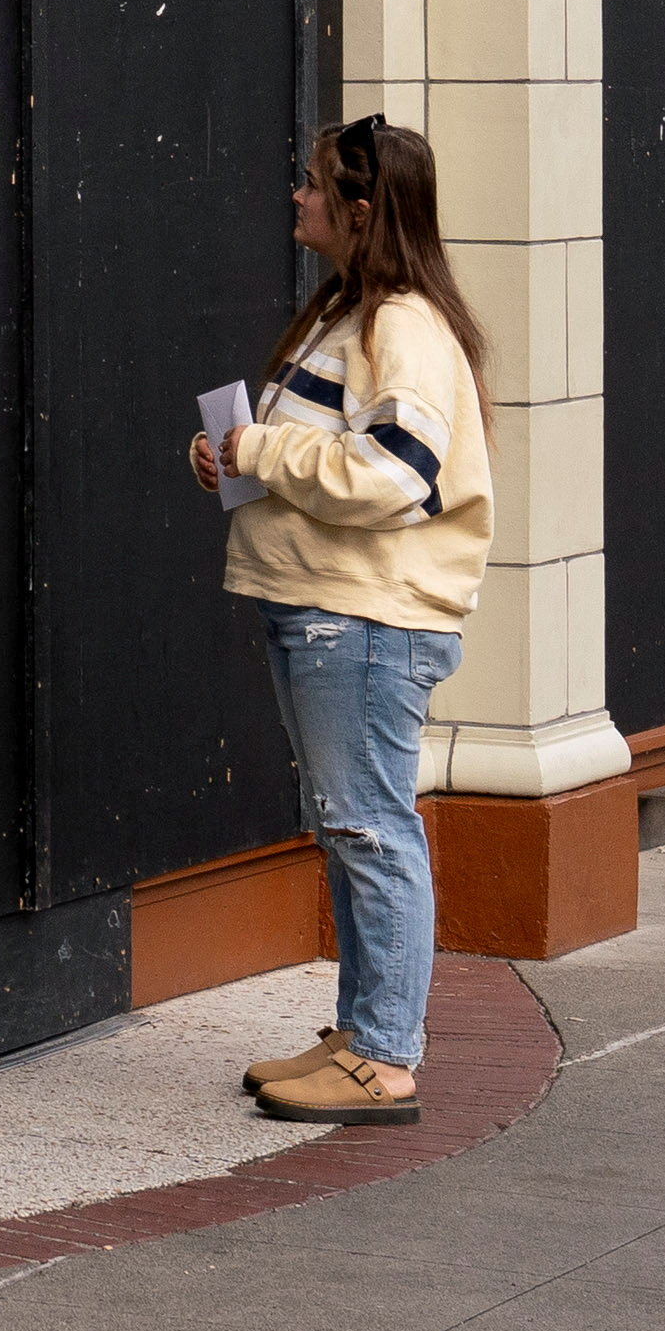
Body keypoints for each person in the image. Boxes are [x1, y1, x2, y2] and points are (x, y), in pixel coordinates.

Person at [182, 112, 493, 1127]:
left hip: (360, 619)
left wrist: (261, 453)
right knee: (354, 822)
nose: (298, 196)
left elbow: (398, 476)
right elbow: (333, 454)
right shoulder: (349, 310)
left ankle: (387, 1053)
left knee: (369, 826)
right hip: (329, 609)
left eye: (314, 184)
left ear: (363, 210)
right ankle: (364, 1032)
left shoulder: (398, 322)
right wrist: (235, 455)